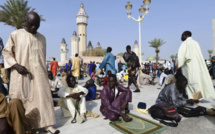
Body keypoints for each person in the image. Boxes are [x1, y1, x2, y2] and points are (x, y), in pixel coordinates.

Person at [2, 12, 59, 133]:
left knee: (43, 99)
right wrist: (16, 66)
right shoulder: (15, 35)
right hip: (21, 75)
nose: (34, 28)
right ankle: (23, 126)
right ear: (25, 22)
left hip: (39, 75)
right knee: (20, 100)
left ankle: (47, 125)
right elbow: (6, 52)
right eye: (31, 25)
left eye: (36, 25)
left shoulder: (42, 38)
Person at [177, 31, 215, 99]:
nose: (181, 37)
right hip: (198, 67)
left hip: (190, 67)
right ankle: (198, 98)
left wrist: (179, 65)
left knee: (192, 83)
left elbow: (180, 57)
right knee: (198, 82)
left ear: (185, 35)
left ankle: (194, 99)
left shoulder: (185, 43)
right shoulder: (196, 43)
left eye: (182, 35)